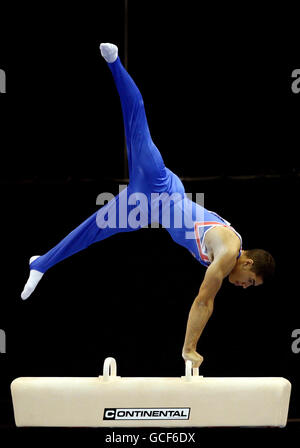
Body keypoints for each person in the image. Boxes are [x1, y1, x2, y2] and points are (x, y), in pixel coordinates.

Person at [21, 44, 275, 367]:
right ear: (249, 264)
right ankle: (113, 62)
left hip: (147, 210)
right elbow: (204, 302)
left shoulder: (229, 253)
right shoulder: (228, 251)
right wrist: (188, 348)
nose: (243, 287)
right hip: (159, 186)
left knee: (94, 229)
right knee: (136, 116)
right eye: (250, 282)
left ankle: (40, 262)